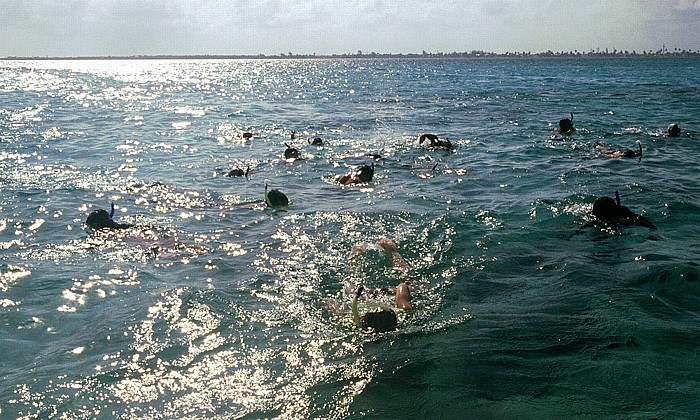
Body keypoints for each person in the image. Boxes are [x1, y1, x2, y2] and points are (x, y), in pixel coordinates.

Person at [325, 238, 412, 333]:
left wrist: (330, 304)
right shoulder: (404, 309)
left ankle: (355, 256)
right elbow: (402, 286)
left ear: (362, 319)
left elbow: (337, 312)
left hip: (365, 297)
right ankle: (392, 251)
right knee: (408, 282)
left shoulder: (354, 321)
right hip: (386, 295)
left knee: (350, 282)